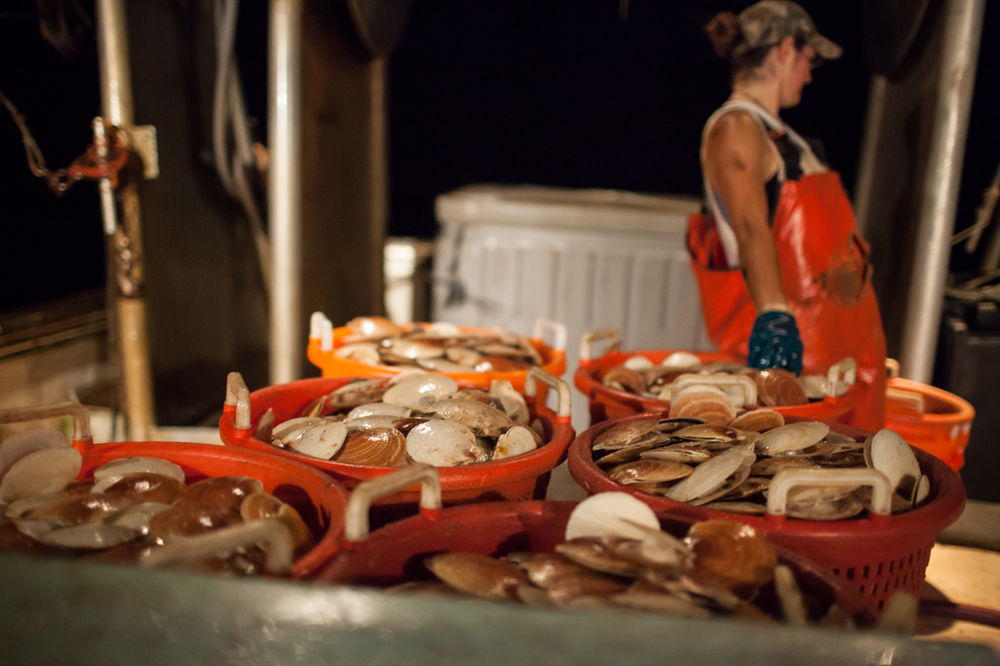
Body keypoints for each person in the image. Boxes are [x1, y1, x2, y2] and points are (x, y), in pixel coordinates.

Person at [687, 0, 887, 430]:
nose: (810, 75)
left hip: (838, 363)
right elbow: (749, 227)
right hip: (795, 365)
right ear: (784, 50)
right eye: (807, 59)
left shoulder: (784, 138)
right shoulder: (737, 126)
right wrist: (775, 320)